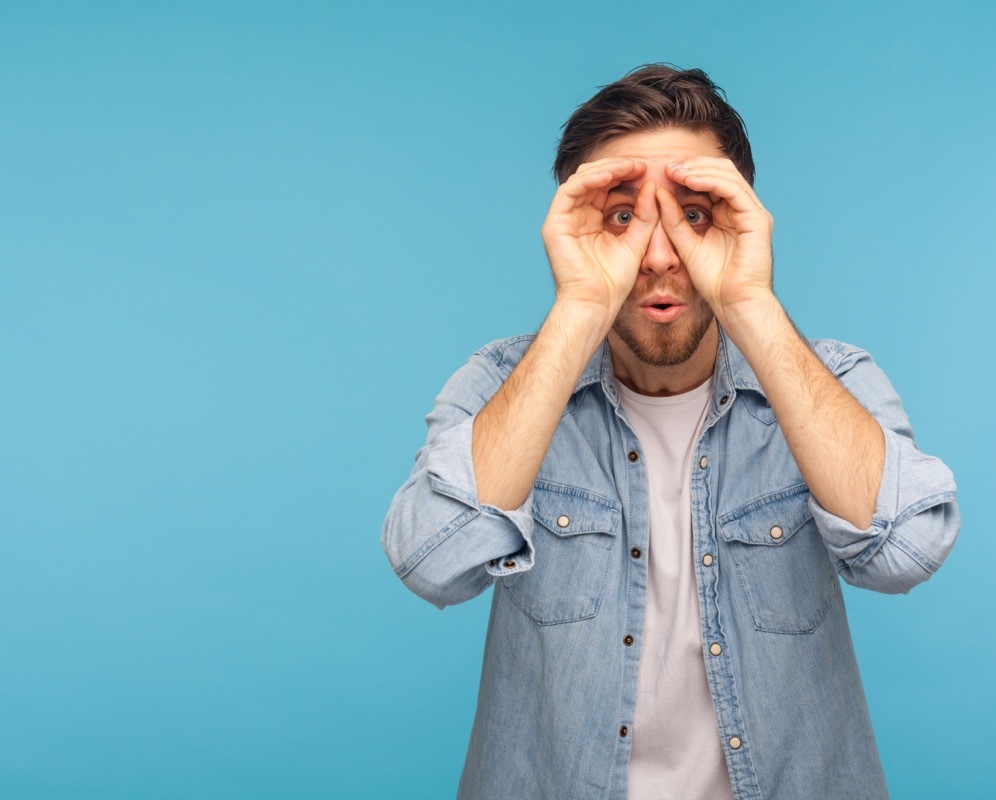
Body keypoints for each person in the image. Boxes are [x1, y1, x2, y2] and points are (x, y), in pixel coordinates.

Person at [381, 64, 960, 800]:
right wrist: (582, 304)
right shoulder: (503, 384)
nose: (658, 256)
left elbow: (908, 551)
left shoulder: (829, 382)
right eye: (622, 216)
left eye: (694, 214)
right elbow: (430, 561)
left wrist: (748, 297)